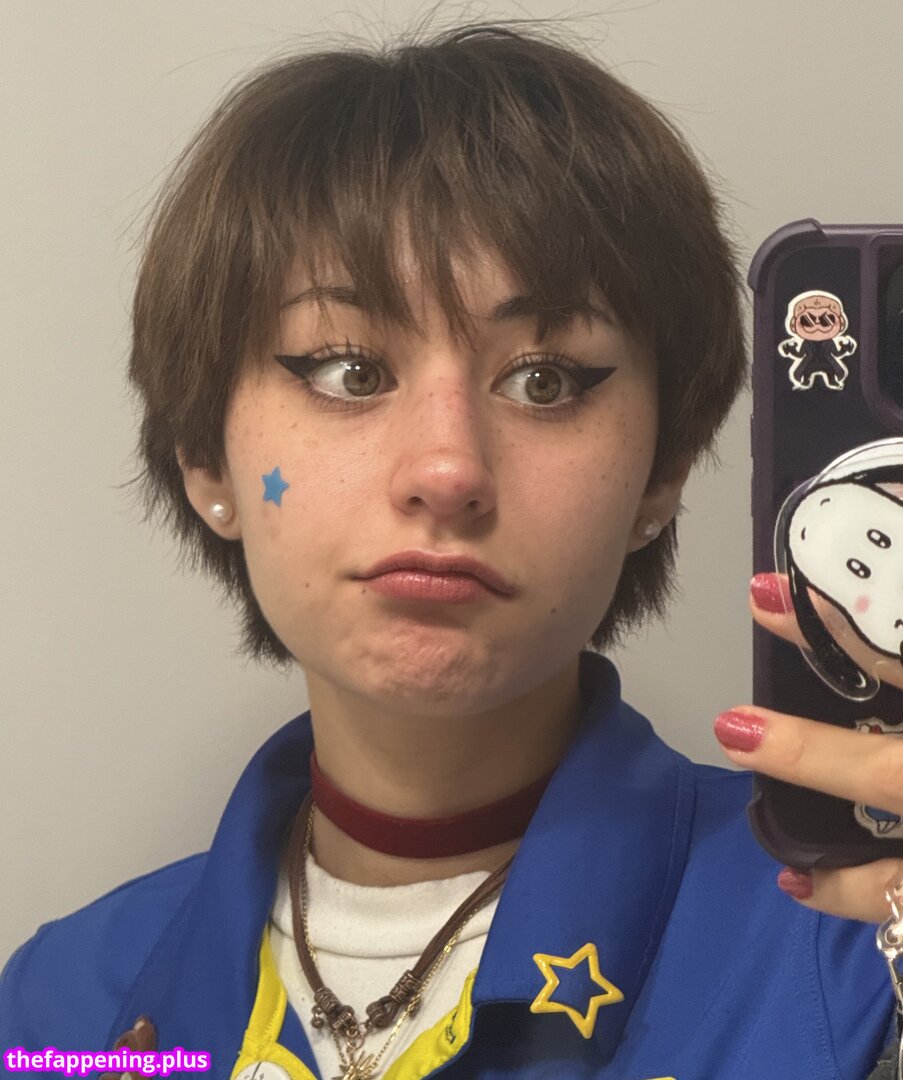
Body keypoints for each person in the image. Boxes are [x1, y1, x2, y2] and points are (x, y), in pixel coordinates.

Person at [2, 17, 902, 1080]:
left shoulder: (854, 944)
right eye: (347, 370)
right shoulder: (59, 1006)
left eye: (544, 381)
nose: (446, 469)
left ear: (662, 473)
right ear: (207, 459)